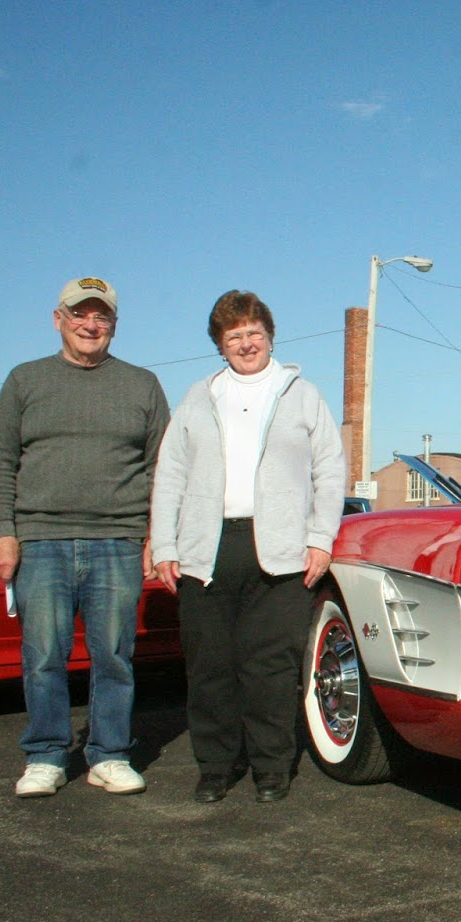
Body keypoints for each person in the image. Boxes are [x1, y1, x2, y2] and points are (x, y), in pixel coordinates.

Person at [150, 290, 345, 803]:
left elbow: (330, 469)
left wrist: (320, 538)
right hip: (208, 550)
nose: (245, 343)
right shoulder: (199, 397)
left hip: (280, 553)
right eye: (233, 336)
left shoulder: (302, 394)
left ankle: (271, 767)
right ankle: (216, 766)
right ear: (220, 345)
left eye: (254, 333)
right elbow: (170, 473)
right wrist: (165, 543)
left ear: (270, 337)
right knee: (210, 668)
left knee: (270, 669)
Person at [0, 276, 170, 798]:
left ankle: (109, 754)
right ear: (58, 320)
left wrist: (155, 535)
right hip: (41, 540)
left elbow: (163, 467)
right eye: (80, 314)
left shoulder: (142, 384)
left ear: (114, 324)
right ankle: (45, 755)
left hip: (117, 540)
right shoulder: (25, 380)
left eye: (101, 316)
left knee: (114, 656)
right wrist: (3, 532)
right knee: (44, 655)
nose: (91, 324)